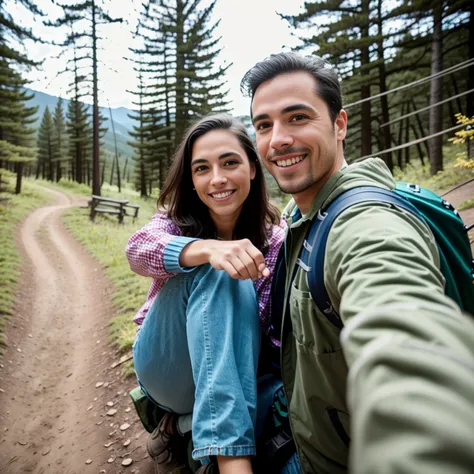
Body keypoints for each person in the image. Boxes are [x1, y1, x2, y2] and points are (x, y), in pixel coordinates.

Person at [241, 52, 474, 474]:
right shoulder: (301, 215)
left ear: (340, 124)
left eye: (297, 117)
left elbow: (403, 329)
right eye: (264, 124)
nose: (277, 139)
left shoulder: (365, 224)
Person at [126, 114, 294, 474]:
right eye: (202, 168)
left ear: (252, 167)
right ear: (191, 178)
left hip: (230, 369)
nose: (216, 179)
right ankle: (230, 462)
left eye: (230, 163)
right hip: (168, 366)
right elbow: (137, 250)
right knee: (223, 271)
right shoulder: (172, 220)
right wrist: (207, 250)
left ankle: (178, 428)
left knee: (282, 395)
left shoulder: (277, 240)